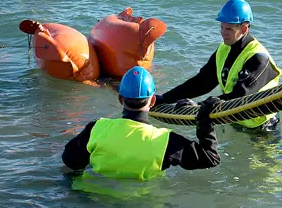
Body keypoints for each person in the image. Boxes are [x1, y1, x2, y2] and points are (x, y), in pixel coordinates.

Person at [62, 67, 220, 179]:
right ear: (152, 100)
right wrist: (204, 120)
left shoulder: (97, 128)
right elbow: (211, 158)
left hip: (93, 202)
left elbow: (70, 161)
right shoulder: (166, 142)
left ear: (120, 99)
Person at [156, 0, 282, 131]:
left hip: (262, 128)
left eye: (228, 29)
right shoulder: (224, 49)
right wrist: (165, 98)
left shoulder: (258, 58)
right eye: (221, 27)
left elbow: (241, 95)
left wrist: (198, 107)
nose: (223, 33)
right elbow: (202, 82)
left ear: (244, 28)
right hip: (234, 121)